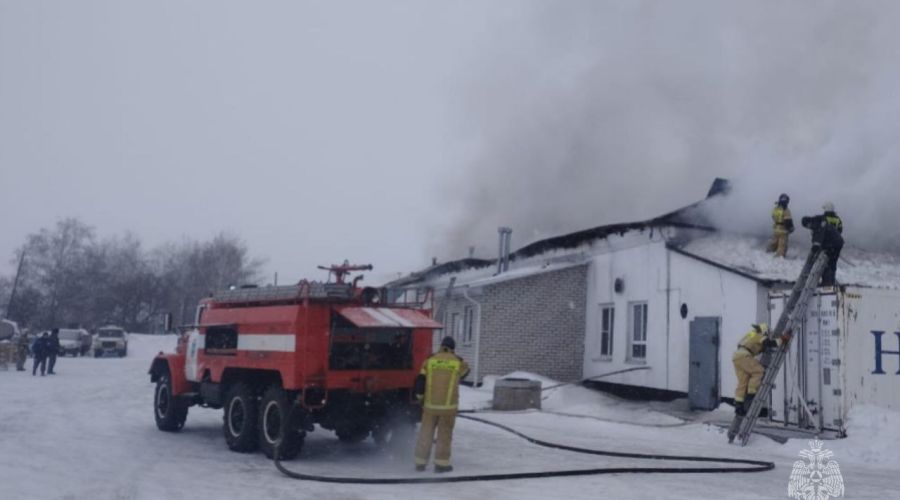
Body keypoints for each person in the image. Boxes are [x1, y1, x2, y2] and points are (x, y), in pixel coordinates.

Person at [414, 336, 469, 473]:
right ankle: (441, 465)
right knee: (444, 435)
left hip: (430, 406)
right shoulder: (458, 362)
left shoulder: (430, 360)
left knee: (425, 434)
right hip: (448, 408)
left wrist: (420, 397)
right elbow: (465, 373)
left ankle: (420, 463)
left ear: (441, 346)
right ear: (453, 348)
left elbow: (420, 380)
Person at [732, 323, 790, 416]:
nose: (768, 336)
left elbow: (751, 344)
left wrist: (761, 349)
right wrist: (782, 339)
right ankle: (751, 394)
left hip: (736, 357)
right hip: (744, 356)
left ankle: (738, 406)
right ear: (765, 331)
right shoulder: (760, 335)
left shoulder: (751, 334)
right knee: (759, 371)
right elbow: (770, 343)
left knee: (743, 382)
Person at [801, 202, 844, 287]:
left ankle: (827, 283)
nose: (808, 227)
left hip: (829, 244)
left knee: (826, 264)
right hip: (835, 243)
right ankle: (829, 281)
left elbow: (819, 234)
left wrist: (816, 246)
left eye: (807, 226)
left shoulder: (822, 219)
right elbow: (840, 230)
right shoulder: (837, 219)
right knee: (832, 264)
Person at [766, 193, 794, 257]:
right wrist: (791, 228)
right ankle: (779, 256)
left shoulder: (776, 208)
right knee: (782, 245)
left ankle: (769, 251)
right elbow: (788, 221)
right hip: (783, 230)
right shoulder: (786, 210)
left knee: (774, 242)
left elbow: (773, 216)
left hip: (776, 229)